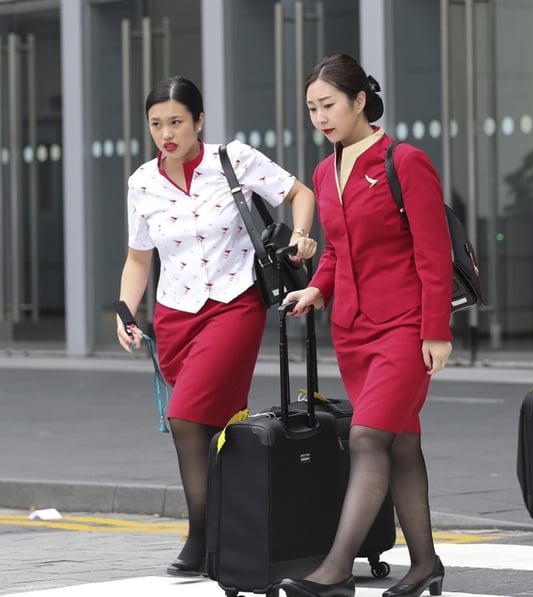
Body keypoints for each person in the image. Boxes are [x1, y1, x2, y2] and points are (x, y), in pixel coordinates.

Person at [115, 76, 318, 575]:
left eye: (176, 122)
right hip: (174, 316)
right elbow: (139, 258)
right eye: (156, 124)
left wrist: (301, 235)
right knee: (212, 427)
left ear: (199, 120)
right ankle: (237, 532)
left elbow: (300, 193)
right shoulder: (141, 182)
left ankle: (201, 538)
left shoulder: (234, 159)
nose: (167, 133)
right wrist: (125, 311)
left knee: (185, 416)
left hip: (234, 304)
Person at [277, 54, 453, 597]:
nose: (320, 117)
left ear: (359, 101)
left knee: (367, 436)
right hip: (353, 333)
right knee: (401, 445)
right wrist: (316, 288)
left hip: (405, 326)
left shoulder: (406, 161)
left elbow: (433, 251)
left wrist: (436, 329)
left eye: (328, 105)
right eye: (311, 108)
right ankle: (425, 565)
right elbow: (337, 250)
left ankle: (335, 571)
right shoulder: (323, 172)